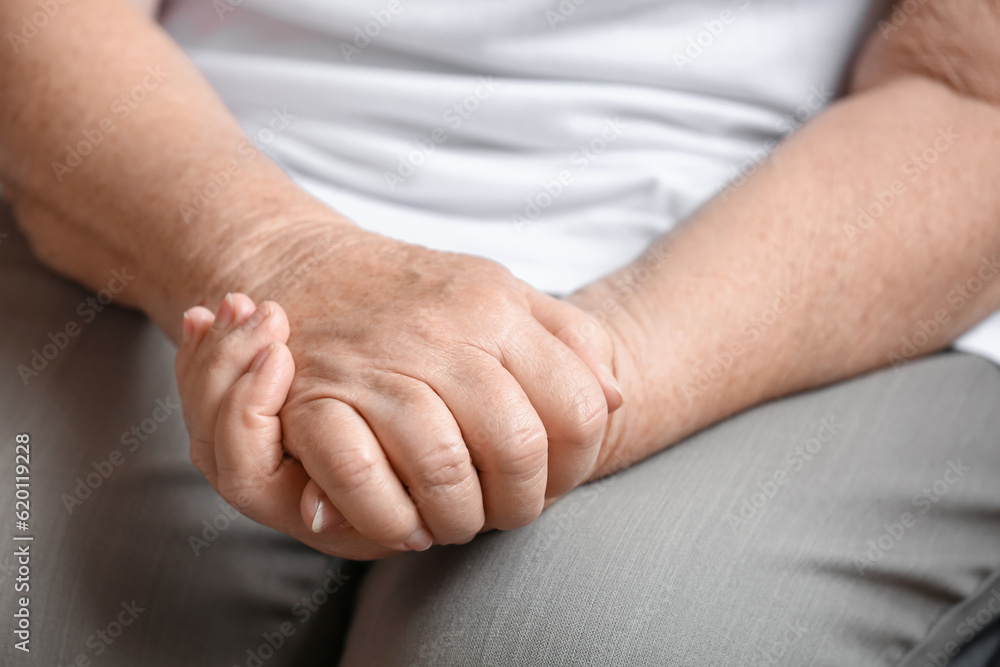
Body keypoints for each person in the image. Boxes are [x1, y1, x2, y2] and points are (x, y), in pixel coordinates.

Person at [1, 0, 1000, 664]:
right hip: (170, 179)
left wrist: (565, 390)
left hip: (791, 262)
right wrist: (276, 258)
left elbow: (972, 97)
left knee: (564, 643)